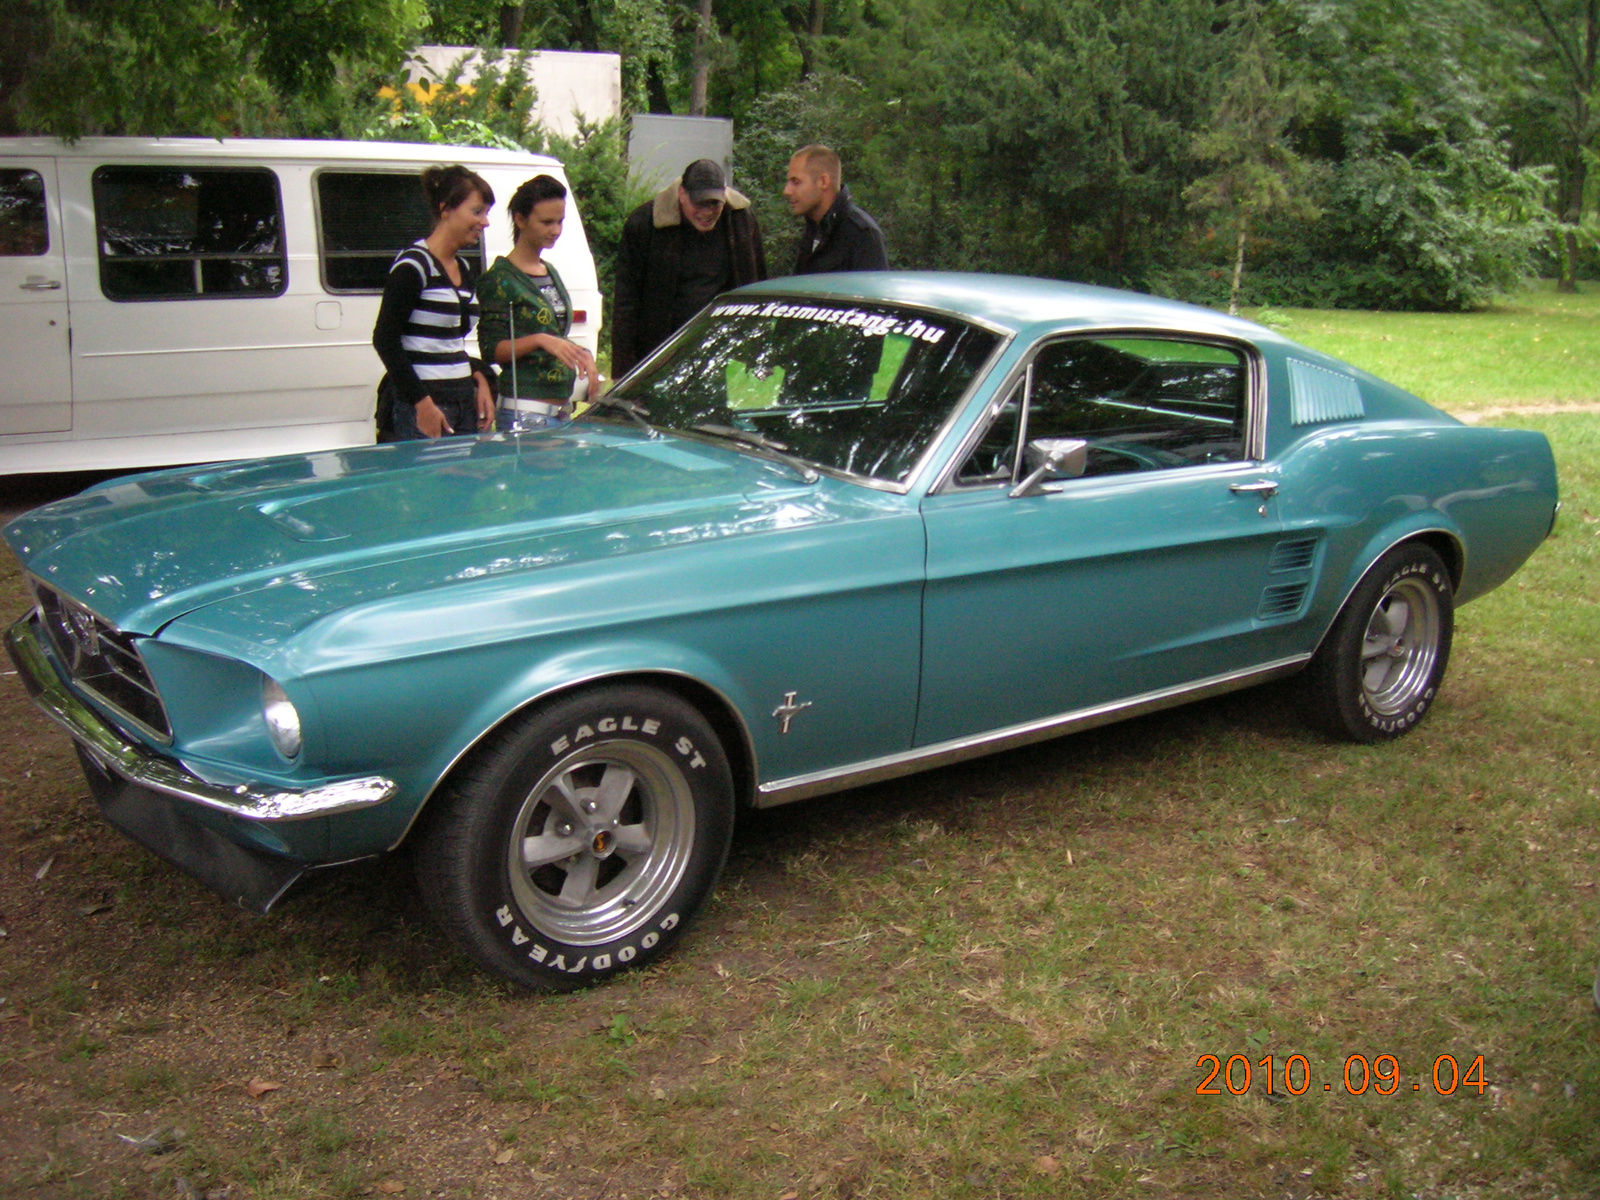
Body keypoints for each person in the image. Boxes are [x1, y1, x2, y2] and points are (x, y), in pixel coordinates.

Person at [372, 164, 497, 440]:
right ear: (445, 209)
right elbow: (385, 339)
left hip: (463, 402)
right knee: (428, 482)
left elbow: (447, 344)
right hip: (427, 405)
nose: (485, 222)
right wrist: (422, 404)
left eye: (486, 213)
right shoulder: (413, 266)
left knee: (460, 484)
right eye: (477, 211)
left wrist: (479, 377)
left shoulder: (462, 267)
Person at [611, 158, 767, 378]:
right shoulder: (644, 224)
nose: (707, 212)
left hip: (721, 352)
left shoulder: (740, 219)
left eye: (714, 204)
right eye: (699, 204)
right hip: (660, 352)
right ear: (682, 194)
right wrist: (623, 372)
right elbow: (626, 303)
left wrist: (758, 351)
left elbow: (757, 284)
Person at [476, 174, 599, 432]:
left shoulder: (549, 270)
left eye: (560, 221)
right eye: (546, 222)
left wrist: (581, 354)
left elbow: (554, 336)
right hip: (526, 412)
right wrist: (539, 339)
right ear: (520, 220)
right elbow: (490, 349)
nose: (555, 230)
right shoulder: (500, 279)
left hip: (560, 411)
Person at [783, 144, 888, 275]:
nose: (787, 191)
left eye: (796, 181)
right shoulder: (813, 230)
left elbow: (872, 293)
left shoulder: (862, 234)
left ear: (823, 182)